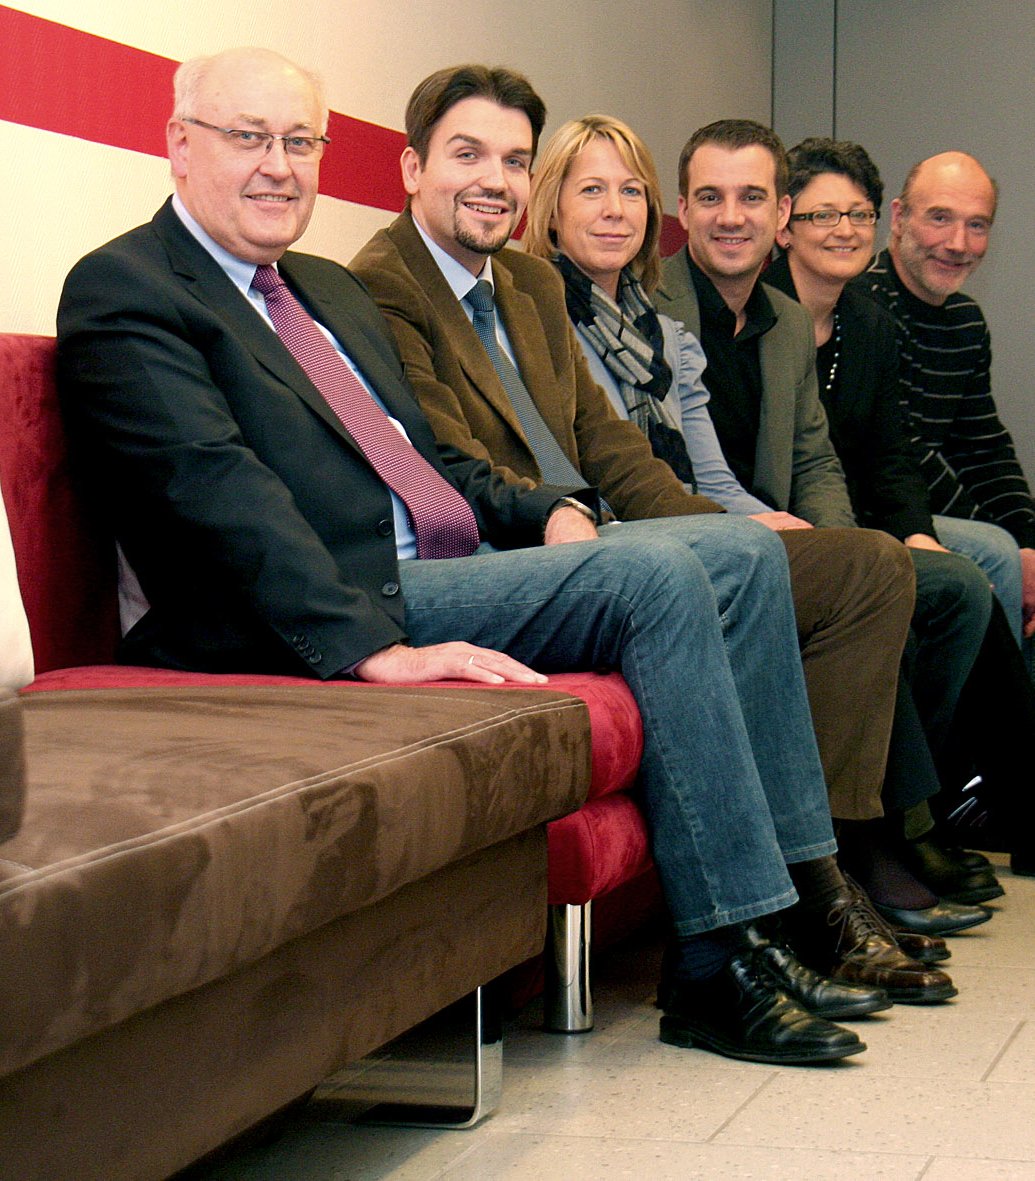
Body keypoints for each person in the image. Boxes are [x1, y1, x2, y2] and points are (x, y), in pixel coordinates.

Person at [57, 46, 888, 1067]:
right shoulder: (128, 288)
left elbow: (430, 455)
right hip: (330, 599)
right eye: (248, 138)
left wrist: (545, 510)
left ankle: (795, 902)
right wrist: (374, 647)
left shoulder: (320, 288)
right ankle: (716, 965)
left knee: (740, 554)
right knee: (657, 573)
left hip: (446, 562)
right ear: (179, 147)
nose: (279, 165)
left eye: (300, 141)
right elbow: (216, 496)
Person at [348, 65, 958, 1001]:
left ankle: (822, 869)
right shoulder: (381, 285)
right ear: (411, 168)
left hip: (596, 529)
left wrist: (722, 532)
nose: (495, 180)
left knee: (854, 564)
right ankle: (793, 904)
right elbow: (446, 458)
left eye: (512, 160)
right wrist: (567, 515)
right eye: (468, 155)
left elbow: (611, 444)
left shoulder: (523, 283)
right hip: (509, 549)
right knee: (734, 560)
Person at [515, 113, 999, 930]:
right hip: (612, 542)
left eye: (630, 191)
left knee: (876, 564)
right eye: (590, 190)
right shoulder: (538, 315)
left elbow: (713, 476)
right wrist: (743, 533)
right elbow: (594, 476)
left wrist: (776, 523)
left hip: (684, 522)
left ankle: (852, 844)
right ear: (551, 208)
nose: (614, 209)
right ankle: (841, 857)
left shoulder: (662, 332)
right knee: (864, 571)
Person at [763, 136, 1035, 885]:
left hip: (866, 517)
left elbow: (946, 446)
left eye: (854, 214)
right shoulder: (784, 311)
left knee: (1031, 553)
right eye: (822, 215)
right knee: (981, 561)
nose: (958, 242)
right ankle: (977, 795)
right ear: (787, 224)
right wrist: (917, 536)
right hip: (803, 527)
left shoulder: (872, 321)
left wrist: (994, 534)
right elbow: (858, 461)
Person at [849, 153, 1035, 804]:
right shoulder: (864, 305)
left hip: (928, 501)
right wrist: (1008, 545)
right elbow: (901, 453)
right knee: (997, 553)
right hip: (875, 506)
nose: (958, 243)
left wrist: (1028, 537)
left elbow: (983, 443)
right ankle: (1000, 781)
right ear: (898, 218)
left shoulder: (965, 321)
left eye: (977, 225)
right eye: (940, 218)